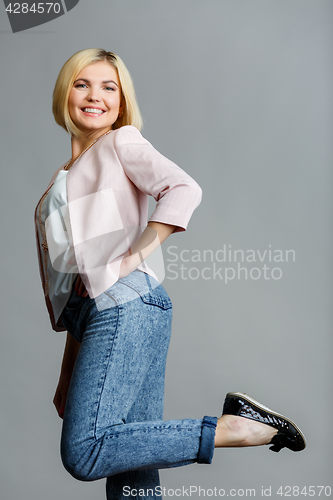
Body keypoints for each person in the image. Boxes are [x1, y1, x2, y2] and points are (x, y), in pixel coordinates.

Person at [34, 49, 306, 500]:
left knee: (84, 452)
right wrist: (67, 373)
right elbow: (79, 287)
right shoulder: (65, 175)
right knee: (133, 477)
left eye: (109, 87)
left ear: (121, 102)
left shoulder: (121, 143)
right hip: (104, 314)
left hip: (127, 305)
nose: (94, 95)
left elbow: (183, 188)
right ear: (65, 92)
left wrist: (133, 257)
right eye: (82, 84)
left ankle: (234, 428)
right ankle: (233, 427)